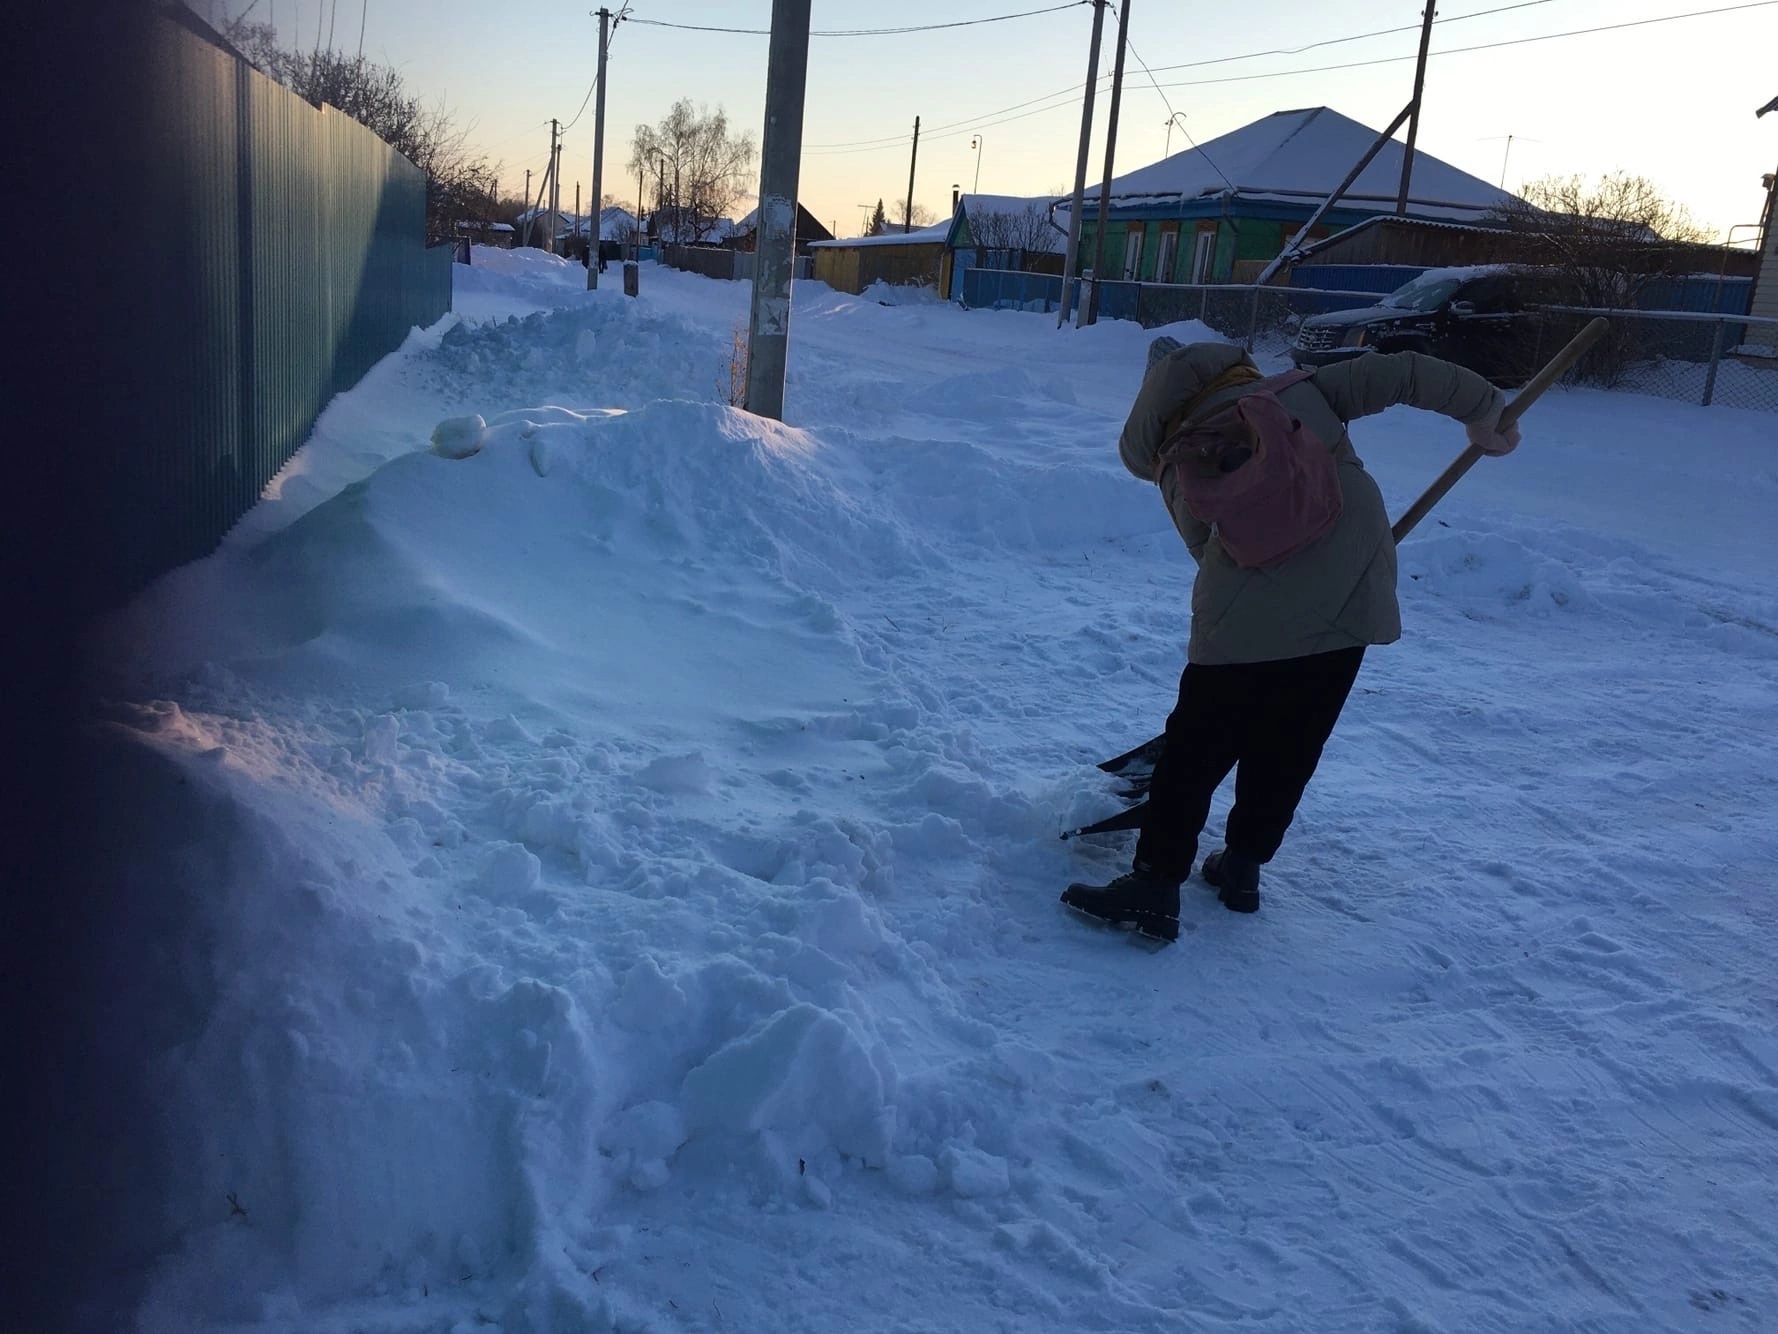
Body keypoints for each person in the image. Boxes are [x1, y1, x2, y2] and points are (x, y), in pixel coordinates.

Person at [1062, 339, 1521, 942]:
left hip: (1247, 617)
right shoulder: (1301, 391)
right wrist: (1485, 411)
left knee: (1194, 752)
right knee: (1292, 741)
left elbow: (1206, 546)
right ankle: (1243, 868)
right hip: (1351, 596)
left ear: (1154, 401)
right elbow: (1406, 373)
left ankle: (1153, 884)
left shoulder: (1179, 453)